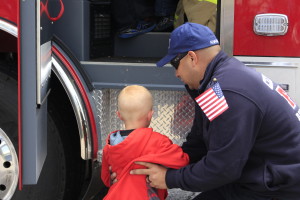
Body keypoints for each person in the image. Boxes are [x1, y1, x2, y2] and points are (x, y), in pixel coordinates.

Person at [129, 23, 300, 200]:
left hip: (281, 187)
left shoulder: (227, 92)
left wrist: (168, 178)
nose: (176, 74)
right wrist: (157, 166)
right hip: (261, 174)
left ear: (192, 58)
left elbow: (222, 168)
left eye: (175, 65)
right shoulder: (219, 81)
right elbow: (199, 144)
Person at [101, 85, 189, 199]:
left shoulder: (110, 145)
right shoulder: (157, 141)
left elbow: (106, 179)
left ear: (119, 115)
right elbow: (181, 161)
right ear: (150, 115)